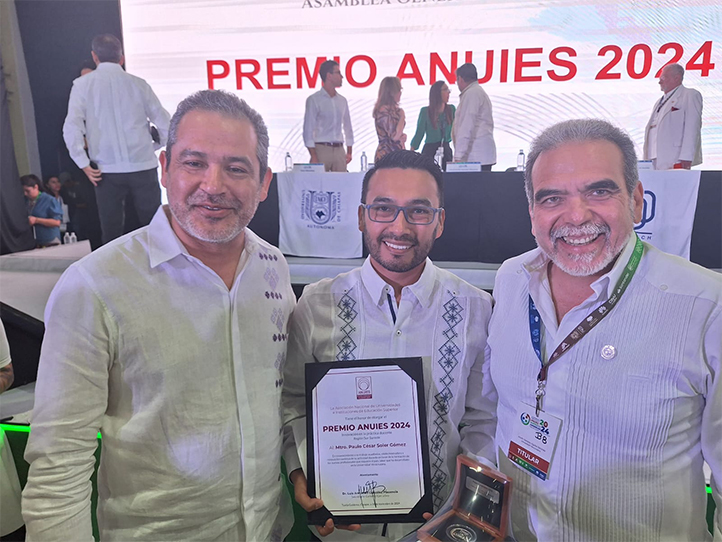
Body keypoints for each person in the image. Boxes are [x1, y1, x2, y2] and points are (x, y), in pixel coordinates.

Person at [23, 90, 295, 542]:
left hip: (269, 530)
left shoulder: (272, 267)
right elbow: (59, 462)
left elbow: (276, 397)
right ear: (165, 168)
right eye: (194, 163)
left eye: (236, 167)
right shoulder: (94, 285)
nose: (214, 185)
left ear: (264, 182)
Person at [488, 119, 721, 540]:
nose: (576, 216)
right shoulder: (510, 279)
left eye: (599, 191)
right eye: (552, 198)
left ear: (636, 200)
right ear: (532, 212)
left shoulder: (706, 305)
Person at [283, 150, 497, 540]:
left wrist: (469, 507)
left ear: (440, 221)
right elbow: (293, 401)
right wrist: (300, 471)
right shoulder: (317, 304)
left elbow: (485, 419)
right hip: (341, 529)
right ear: (362, 215)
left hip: (438, 527)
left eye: (418, 211)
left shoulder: (476, 308)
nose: (399, 227)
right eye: (384, 208)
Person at [63, 34, 171, 245]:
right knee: (155, 229)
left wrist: (83, 163)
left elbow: (72, 126)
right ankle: (162, 273)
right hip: (143, 165)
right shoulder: (139, 84)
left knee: (111, 233)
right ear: (121, 57)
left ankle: (111, 276)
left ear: (95, 57)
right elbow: (166, 124)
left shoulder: (82, 85)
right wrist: (154, 146)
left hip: (106, 169)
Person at [643, 63, 703, 170]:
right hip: (653, 157)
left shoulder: (689, 95)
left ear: (677, 78)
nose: (659, 81)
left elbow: (692, 127)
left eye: (663, 77)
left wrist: (686, 156)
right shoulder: (659, 101)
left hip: (674, 156)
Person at [303, 60, 354, 171]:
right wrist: (313, 155)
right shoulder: (314, 100)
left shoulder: (342, 100)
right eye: (338, 73)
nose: (342, 77)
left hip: (339, 149)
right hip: (321, 149)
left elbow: (347, 126)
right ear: (329, 76)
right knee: (320, 185)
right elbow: (308, 129)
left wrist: (349, 150)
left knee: (341, 184)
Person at [452, 63, 496, 170]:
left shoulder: (472, 94)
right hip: (479, 156)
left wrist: (458, 156)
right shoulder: (477, 92)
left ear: (460, 79)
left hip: (475, 157)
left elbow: (466, 126)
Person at [410, 81, 455, 169]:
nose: (448, 92)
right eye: (445, 90)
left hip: (446, 149)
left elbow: (457, 131)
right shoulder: (425, 111)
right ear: (437, 93)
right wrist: (412, 150)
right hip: (430, 150)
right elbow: (419, 133)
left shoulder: (451, 109)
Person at [21, 174, 62, 248]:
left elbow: (57, 222)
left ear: (36, 187)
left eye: (27, 191)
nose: (25, 194)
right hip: (35, 242)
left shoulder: (49, 200)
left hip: (50, 241)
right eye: (23, 191)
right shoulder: (25, 201)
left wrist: (37, 220)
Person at [372, 76, 406, 162]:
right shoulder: (383, 111)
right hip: (386, 155)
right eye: (398, 90)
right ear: (392, 92)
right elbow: (394, 136)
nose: (400, 93)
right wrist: (402, 117)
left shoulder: (395, 110)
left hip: (397, 154)